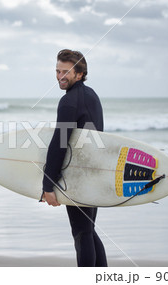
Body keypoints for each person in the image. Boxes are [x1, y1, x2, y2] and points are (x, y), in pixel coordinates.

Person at [41, 49, 107, 267]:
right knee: (87, 230)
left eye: (66, 72)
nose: (60, 76)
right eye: (57, 71)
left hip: (78, 177)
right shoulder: (92, 95)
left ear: (79, 73)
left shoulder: (69, 101)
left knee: (81, 233)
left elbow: (60, 143)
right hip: (94, 173)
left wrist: (48, 185)